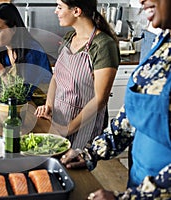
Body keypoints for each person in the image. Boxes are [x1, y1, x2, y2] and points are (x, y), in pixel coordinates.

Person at [60, 0, 171, 199]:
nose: (141, 0)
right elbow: (131, 115)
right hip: (138, 181)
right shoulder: (162, 43)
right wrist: (91, 153)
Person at [34, 0, 120, 149]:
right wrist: (48, 106)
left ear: (76, 11)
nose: (56, 11)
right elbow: (57, 77)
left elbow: (100, 99)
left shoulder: (103, 46)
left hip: (83, 130)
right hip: (57, 123)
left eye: (60, 7)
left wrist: (67, 128)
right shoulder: (69, 37)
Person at [0, 3, 53, 99]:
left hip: (39, 105)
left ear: (13, 29)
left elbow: (23, 94)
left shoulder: (33, 51)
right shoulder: (2, 50)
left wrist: (0, 69)